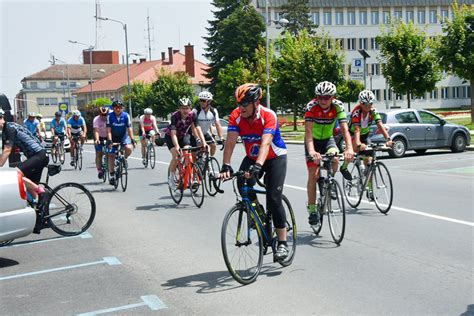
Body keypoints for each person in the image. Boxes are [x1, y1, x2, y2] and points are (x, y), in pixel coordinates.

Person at [219, 83, 289, 261]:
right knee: (241, 182)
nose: (240, 108)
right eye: (239, 104)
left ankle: (282, 243)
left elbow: (265, 144)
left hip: (274, 157)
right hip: (252, 156)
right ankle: (256, 211)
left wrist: (258, 167)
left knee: (273, 197)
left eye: (245, 104)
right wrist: (226, 165)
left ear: (256, 103)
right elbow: (230, 142)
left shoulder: (268, 115)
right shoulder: (236, 116)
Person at [304, 81, 354, 227]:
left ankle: (330, 182)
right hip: (312, 141)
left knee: (335, 158)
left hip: (328, 140)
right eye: (320, 97)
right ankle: (312, 210)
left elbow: (345, 130)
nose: (323, 100)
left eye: (327, 97)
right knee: (313, 173)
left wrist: (349, 148)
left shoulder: (338, 106)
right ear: (316, 97)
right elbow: (308, 132)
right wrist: (312, 151)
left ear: (333, 97)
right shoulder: (311, 107)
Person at [344, 89, 393, 200]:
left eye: (370, 103)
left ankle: (369, 190)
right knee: (352, 152)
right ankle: (344, 167)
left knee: (369, 162)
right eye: (365, 104)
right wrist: (357, 144)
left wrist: (388, 139)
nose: (368, 106)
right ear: (361, 103)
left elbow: (380, 125)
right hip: (353, 134)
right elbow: (356, 129)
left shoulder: (373, 111)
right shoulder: (356, 112)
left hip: (365, 135)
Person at [0, 109, 49, 202]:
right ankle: (41, 211)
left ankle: (43, 192)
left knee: (16, 174)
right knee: (31, 190)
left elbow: (7, 150)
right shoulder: (5, 132)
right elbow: (4, 152)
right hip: (35, 157)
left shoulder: (9, 127)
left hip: (39, 155)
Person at [165, 97, 207, 188]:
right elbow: (173, 133)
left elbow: (198, 128)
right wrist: (176, 146)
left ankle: (190, 176)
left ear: (190, 108)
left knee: (188, 153)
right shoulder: (174, 116)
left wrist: (203, 142)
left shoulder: (193, 115)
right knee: (176, 157)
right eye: (183, 108)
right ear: (179, 108)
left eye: (187, 108)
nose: (185, 110)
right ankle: (171, 176)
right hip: (171, 137)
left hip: (184, 136)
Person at [106, 100, 135, 186]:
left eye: (120, 107)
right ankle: (111, 175)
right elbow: (108, 130)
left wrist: (132, 139)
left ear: (122, 108)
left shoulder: (126, 115)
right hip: (113, 137)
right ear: (113, 108)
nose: (118, 109)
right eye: (116, 108)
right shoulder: (109, 116)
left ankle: (124, 158)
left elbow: (129, 128)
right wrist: (110, 140)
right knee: (111, 155)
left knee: (129, 148)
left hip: (123, 137)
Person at [192, 91, 224, 156]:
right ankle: (200, 161)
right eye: (200, 100)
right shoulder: (195, 111)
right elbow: (193, 127)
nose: (201, 102)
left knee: (213, 146)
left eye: (203, 101)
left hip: (205, 133)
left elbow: (218, 124)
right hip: (195, 134)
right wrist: (198, 138)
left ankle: (208, 160)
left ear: (209, 102)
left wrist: (221, 137)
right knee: (201, 148)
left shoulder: (213, 111)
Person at [93, 106, 109, 179]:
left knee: (111, 152)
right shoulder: (96, 119)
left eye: (105, 115)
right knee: (99, 153)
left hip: (108, 136)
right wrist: (97, 139)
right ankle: (99, 170)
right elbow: (96, 130)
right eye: (102, 115)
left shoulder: (109, 119)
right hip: (99, 137)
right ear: (99, 114)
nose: (103, 116)